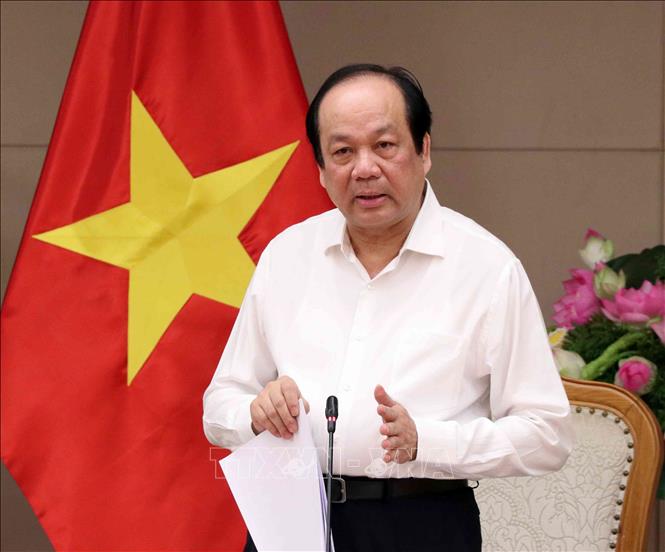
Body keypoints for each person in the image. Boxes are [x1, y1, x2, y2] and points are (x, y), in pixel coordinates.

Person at [203, 64, 573, 551]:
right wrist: (255, 413)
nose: (364, 169)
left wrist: (427, 442)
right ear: (320, 169)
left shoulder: (486, 267)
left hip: (420, 523)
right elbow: (219, 404)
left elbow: (547, 435)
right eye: (342, 151)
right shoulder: (286, 256)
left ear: (423, 150)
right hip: (291, 519)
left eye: (384, 145)